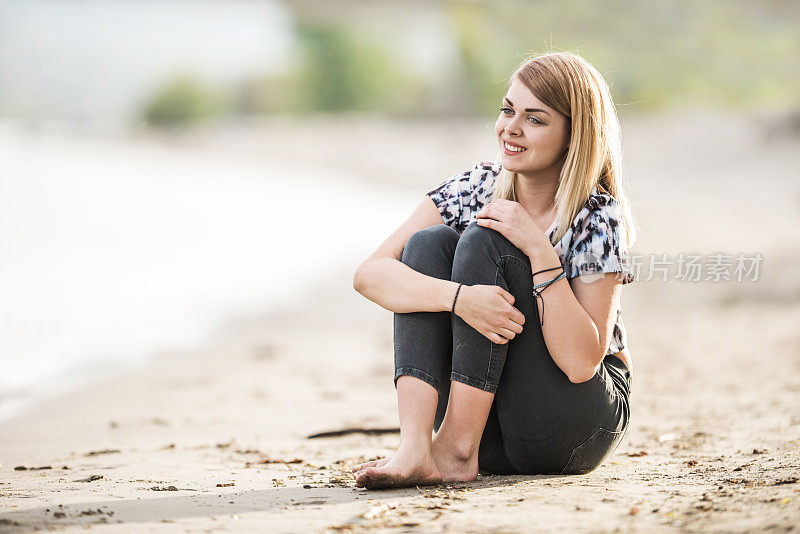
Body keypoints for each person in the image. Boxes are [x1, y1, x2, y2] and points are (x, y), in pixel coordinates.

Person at [350, 51, 638, 490]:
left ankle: (455, 449)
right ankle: (416, 448)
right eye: (508, 110)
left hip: (573, 424)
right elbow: (370, 274)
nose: (511, 128)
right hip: (495, 431)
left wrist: (539, 250)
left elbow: (582, 362)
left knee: (488, 241)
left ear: (573, 134)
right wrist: (460, 299)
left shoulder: (597, 216)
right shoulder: (476, 186)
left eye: (535, 119)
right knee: (429, 245)